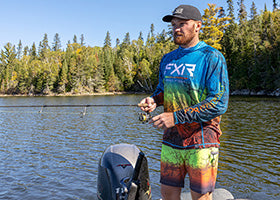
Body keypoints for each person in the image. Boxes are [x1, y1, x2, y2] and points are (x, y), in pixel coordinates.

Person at [139, 4, 229, 200]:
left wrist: (176, 117)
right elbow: (162, 90)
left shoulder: (212, 57)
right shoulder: (168, 59)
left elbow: (218, 102)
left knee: (201, 197)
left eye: (182, 24)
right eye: (173, 25)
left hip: (202, 142)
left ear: (197, 26)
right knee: (167, 195)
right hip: (171, 141)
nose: (176, 28)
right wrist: (153, 100)